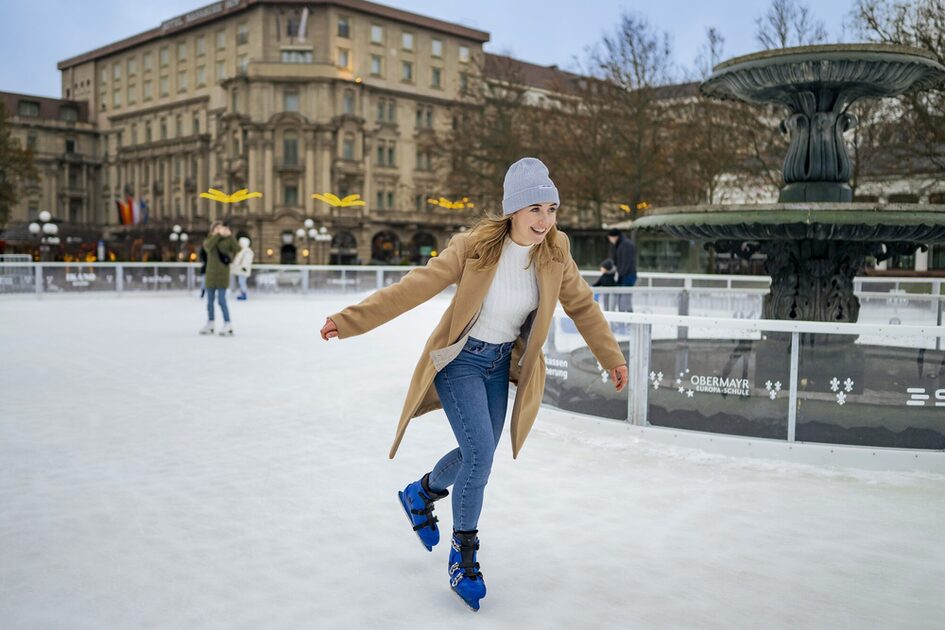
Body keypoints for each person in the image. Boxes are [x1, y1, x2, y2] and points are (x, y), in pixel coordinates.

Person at [319, 157, 628, 612]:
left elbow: (582, 304)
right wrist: (349, 321)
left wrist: (611, 356)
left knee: (475, 455)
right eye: (535, 209)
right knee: (480, 454)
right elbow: (413, 288)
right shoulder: (474, 247)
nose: (545, 220)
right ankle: (463, 558)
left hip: (499, 365)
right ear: (513, 210)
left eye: (551, 209)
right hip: (460, 361)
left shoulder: (555, 251)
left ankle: (421, 493)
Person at [199, 221, 238, 336]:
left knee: (222, 300)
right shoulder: (209, 240)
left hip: (222, 275)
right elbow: (208, 247)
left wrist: (230, 236)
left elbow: (237, 248)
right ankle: (210, 323)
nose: (219, 230)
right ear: (212, 230)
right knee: (210, 302)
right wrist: (217, 235)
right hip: (211, 275)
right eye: (216, 228)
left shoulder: (227, 240)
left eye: (220, 228)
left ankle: (227, 323)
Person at [608, 228, 637, 312]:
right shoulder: (620, 244)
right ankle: (623, 317)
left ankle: (628, 317)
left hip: (628, 276)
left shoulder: (626, 244)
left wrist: (620, 274)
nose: (610, 240)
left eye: (610, 238)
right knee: (621, 299)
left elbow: (626, 261)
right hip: (623, 275)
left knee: (625, 300)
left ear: (615, 237)